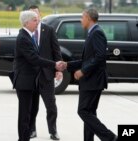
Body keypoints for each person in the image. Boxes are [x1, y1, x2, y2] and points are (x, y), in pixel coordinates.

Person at [58, 8, 118, 141]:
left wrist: (83, 71)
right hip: (92, 81)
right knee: (89, 113)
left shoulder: (96, 33)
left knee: (83, 111)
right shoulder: (92, 33)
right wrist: (68, 65)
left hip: (93, 80)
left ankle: (110, 137)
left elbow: (99, 57)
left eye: (82, 17)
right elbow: (87, 59)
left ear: (89, 18)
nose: (81, 20)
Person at [13, 10, 61, 141]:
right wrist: (54, 65)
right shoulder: (23, 37)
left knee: (32, 111)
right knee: (25, 114)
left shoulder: (29, 35)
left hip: (33, 81)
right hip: (25, 82)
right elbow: (34, 59)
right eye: (35, 20)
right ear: (27, 22)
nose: (38, 22)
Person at [28, 5, 62, 140]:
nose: (34, 17)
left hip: (46, 75)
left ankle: (53, 131)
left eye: (36, 14)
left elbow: (56, 50)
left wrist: (58, 69)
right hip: (31, 76)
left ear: (40, 14)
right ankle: (32, 130)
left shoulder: (49, 30)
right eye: (31, 15)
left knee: (51, 106)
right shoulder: (26, 32)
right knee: (32, 107)